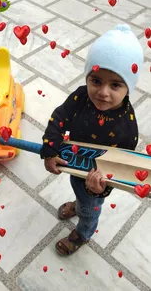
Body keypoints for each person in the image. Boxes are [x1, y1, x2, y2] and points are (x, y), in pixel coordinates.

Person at [40, 24, 144, 256]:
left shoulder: (126, 128)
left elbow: (120, 168)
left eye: (115, 84)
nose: (103, 92)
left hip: (95, 180)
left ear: (129, 87)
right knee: (78, 191)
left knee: (90, 208)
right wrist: (49, 149)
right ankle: (79, 203)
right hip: (75, 166)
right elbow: (59, 117)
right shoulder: (80, 96)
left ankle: (84, 232)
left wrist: (99, 190)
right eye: (96, 80)